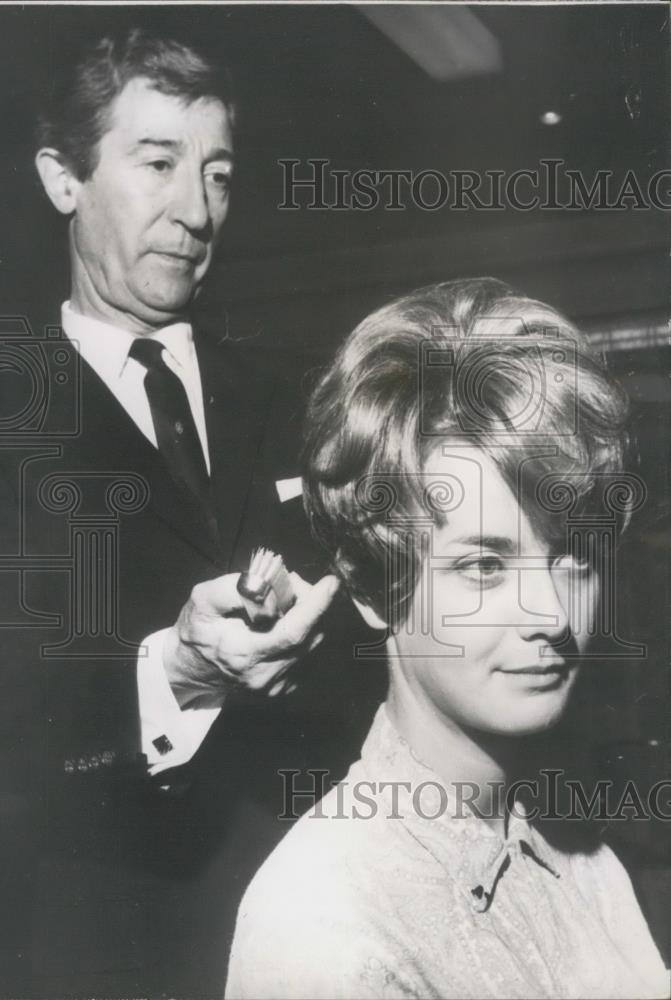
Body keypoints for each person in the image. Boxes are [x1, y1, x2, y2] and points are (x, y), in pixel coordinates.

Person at [0, 26, 380, 997]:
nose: (194, 209)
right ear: (63, 179)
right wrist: (175, 668)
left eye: (216, 172)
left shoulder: (302, 397)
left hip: (318, 929)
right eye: (157, 163)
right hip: (98, 953)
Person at [226, 278, 670, 999]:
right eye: (484, 565)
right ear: (371, 586)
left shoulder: (573, 848)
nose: (549, 613)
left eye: (572, 557)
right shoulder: (325, 932)